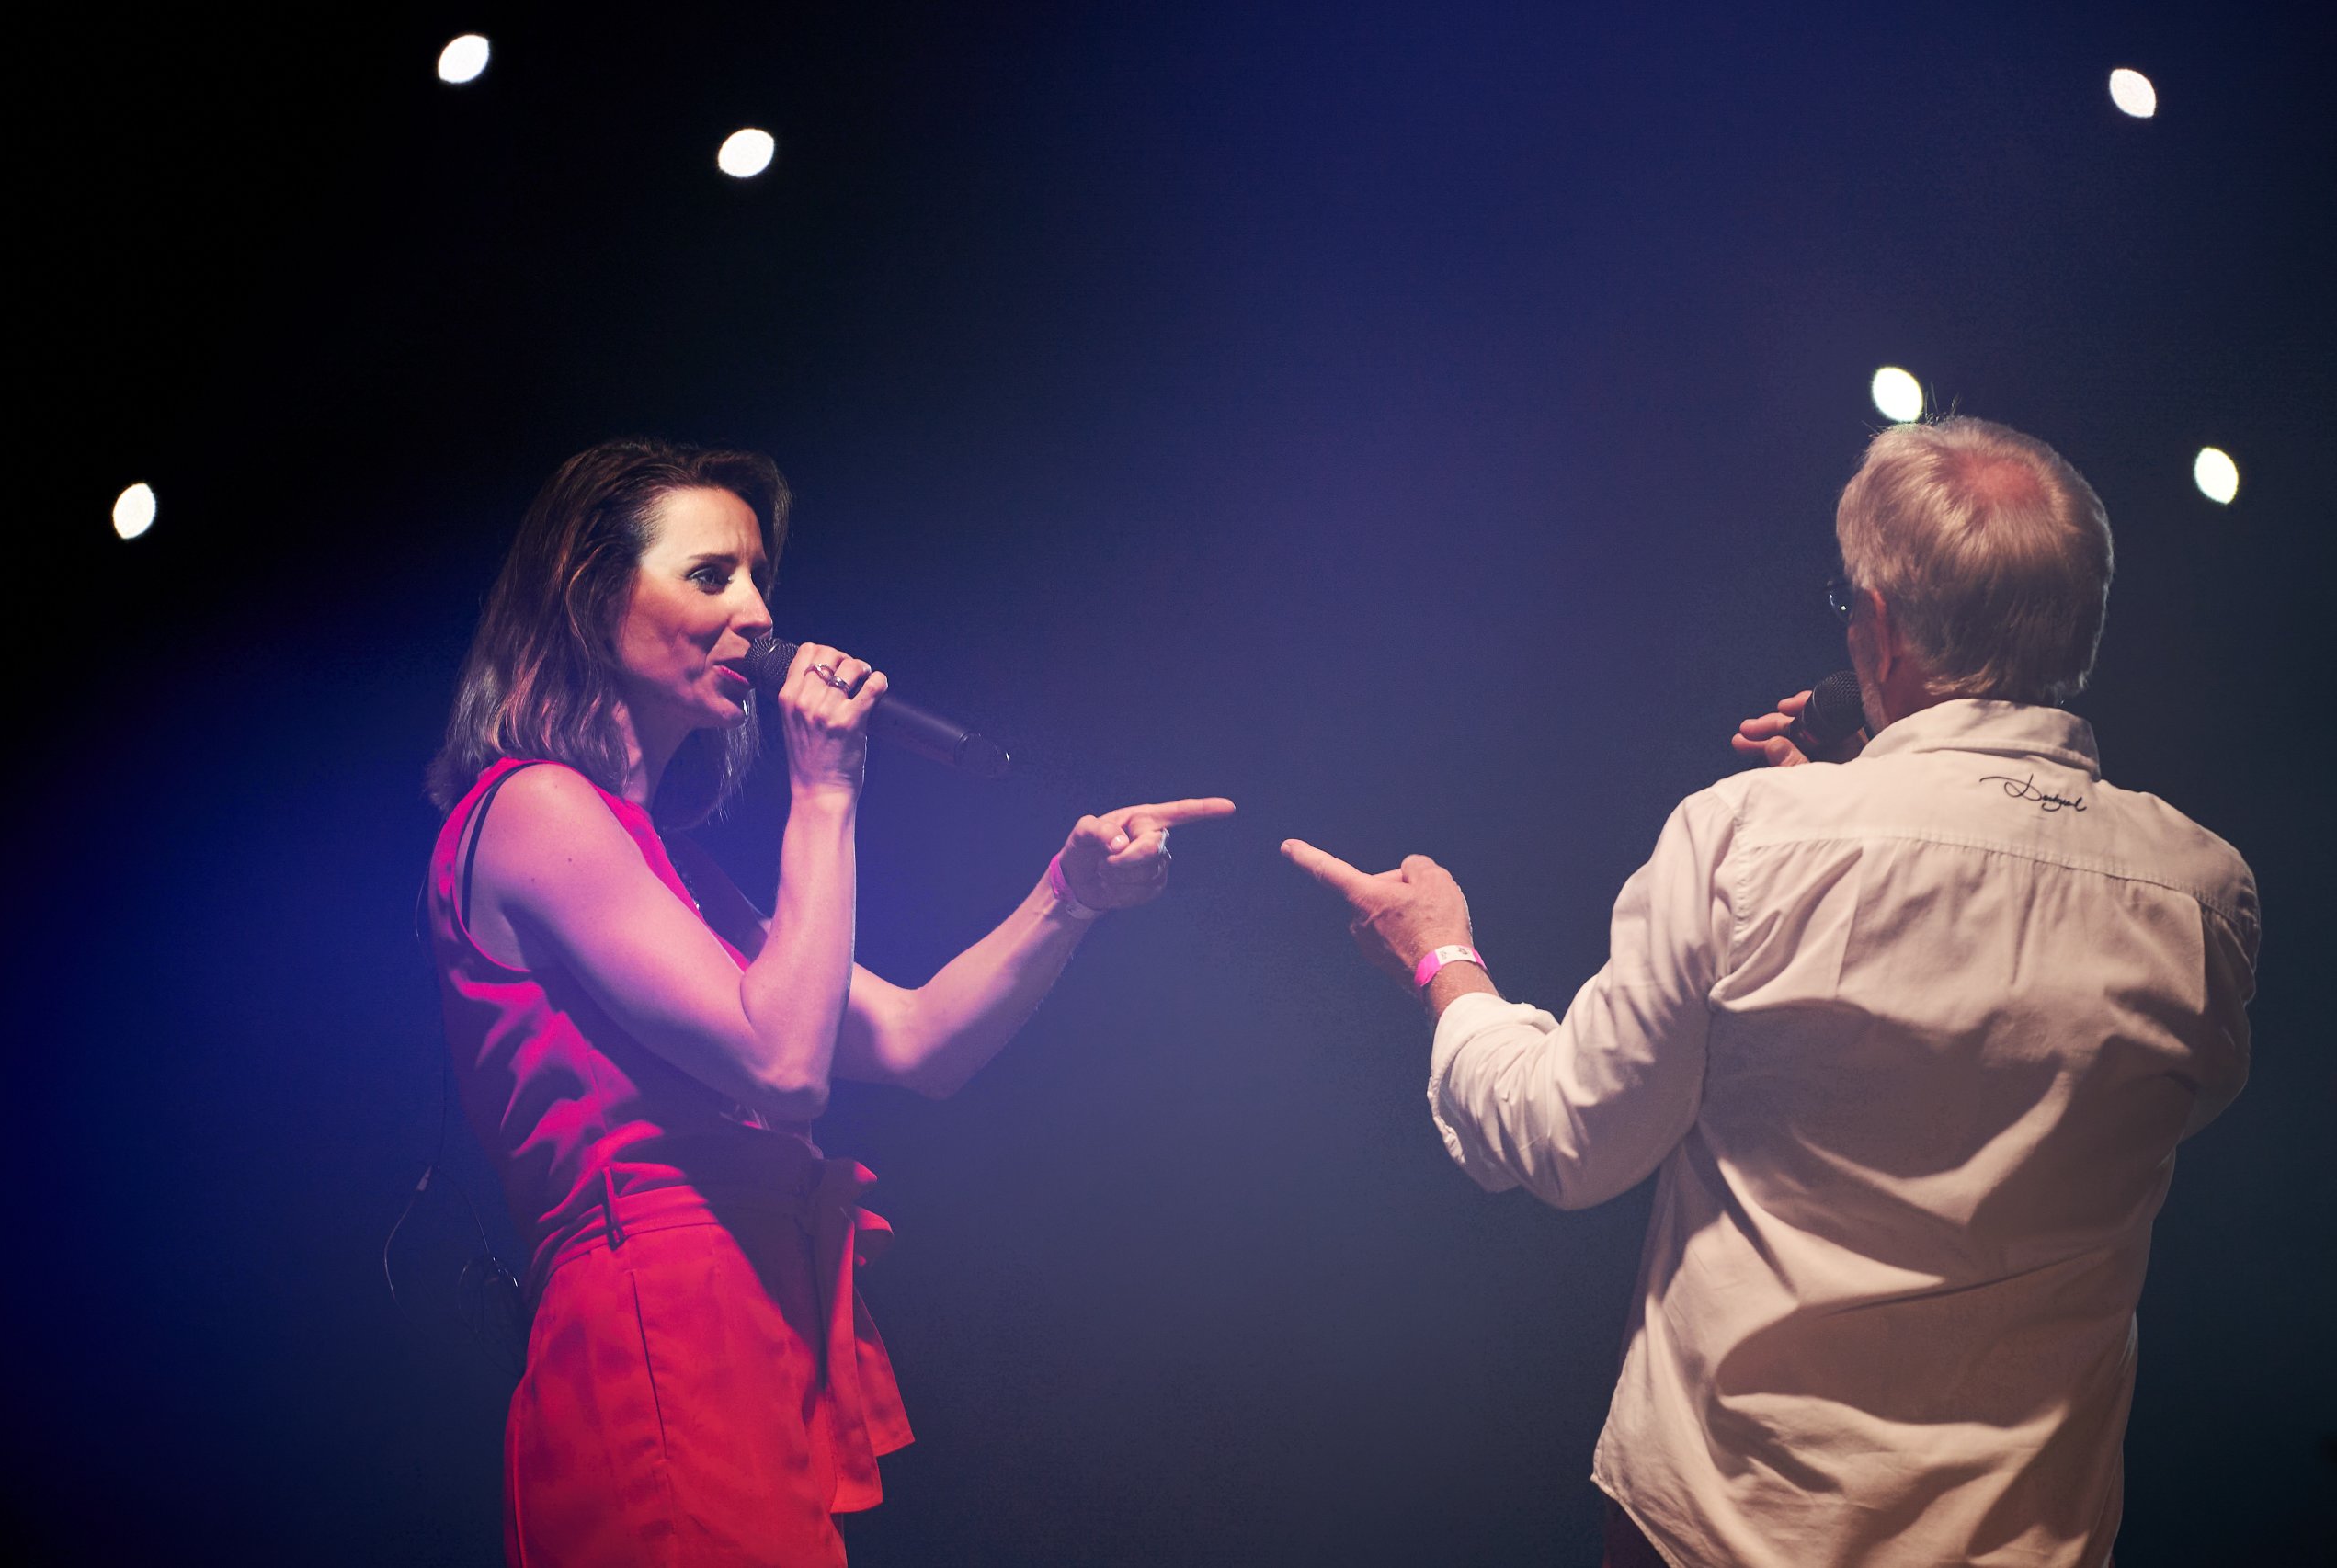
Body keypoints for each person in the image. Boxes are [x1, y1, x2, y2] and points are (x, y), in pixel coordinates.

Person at [1282, 416, 2257, 1568]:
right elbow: (2081, 1090)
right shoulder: (2203, 894)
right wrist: (1861, 832)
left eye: (1850, 606)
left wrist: (1440, 956)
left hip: (1724, 1536)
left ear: (1881, 630)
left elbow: (1560, 1138)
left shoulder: (1742, 836)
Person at [423, 437, 1233, 1568]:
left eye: (760, 577)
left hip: (750, 1328)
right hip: (652, 1330)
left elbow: (915, 1040)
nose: (758, 613)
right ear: (590, 593)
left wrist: (1070, 896)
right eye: (711, 575)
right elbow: (785, 1066)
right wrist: (824, 788)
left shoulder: (678, 873)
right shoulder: (537, 810)